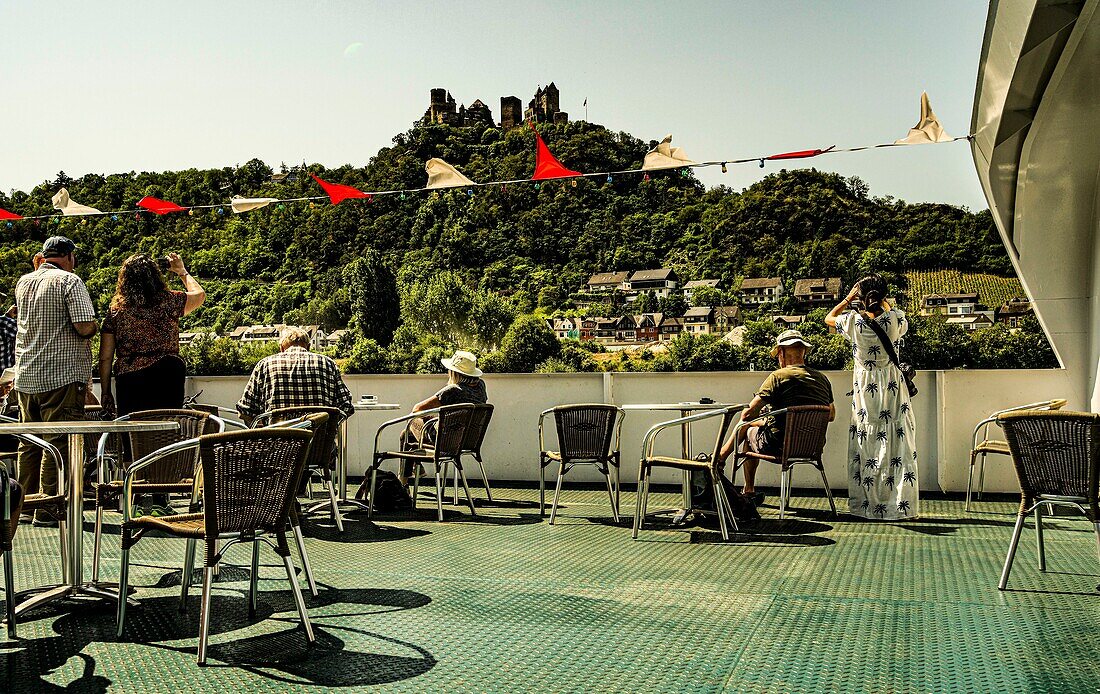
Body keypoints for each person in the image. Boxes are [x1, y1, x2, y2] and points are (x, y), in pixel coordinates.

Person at [13, 236, 98, 525]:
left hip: (26, 375)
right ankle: (49, 509)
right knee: (58, 442)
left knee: (30, 444)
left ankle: (22, 506)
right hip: (60, 374)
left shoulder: (23, 282)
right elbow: (84, 325)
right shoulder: (70, 282)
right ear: (70, 257)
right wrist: (97, 327)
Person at [826, 274, 918, 520]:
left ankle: (868, 506)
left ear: (861, 298)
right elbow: (897, 316)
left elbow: (828, 319)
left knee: (868, 443)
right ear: (883, 296)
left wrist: (847, 299)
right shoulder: (895, 319)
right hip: (892, 387)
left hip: (866, 390)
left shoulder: (854, 322)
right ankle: (898, 505)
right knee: (896, 444)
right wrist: (886, 303)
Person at [715, 330, 834, 504]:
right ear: (803, 353)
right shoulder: (822, 379)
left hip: (778, 446)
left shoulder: (778, 377)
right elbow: (830, 415)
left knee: (746, 426)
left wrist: (763, 419)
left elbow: (747, 414)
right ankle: (722, 462)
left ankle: (728, 469)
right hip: (811, 447)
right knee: (754, 424)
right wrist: (770, 418)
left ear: (781, 353)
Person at [98, 253, 205, 416]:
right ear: (156, 276)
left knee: (133, 431)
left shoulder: (116, 312)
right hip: (167, 376)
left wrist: (106, 392)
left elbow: (105, 357)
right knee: (166, 429)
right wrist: (182, 272)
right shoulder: (170, 301)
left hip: (130, 380)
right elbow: (199, 295)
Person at [398, 350, 487, 486]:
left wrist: (431, 416)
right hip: (468, 440)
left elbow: (417, 409)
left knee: (411, 423)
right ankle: (414, 468)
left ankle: (405, 480)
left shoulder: (452, 390)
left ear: (454, 372)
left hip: (445, 442)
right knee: (406, 435)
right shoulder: (481, 386)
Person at [236, 327, 354, 425]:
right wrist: (328, 429)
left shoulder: (265, 365)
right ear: (308, 347)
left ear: (281, 348)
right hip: (319, 449)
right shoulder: (328, 364)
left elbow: (245, 410)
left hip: (277, 449)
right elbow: (346, 406)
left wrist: (262, 431)